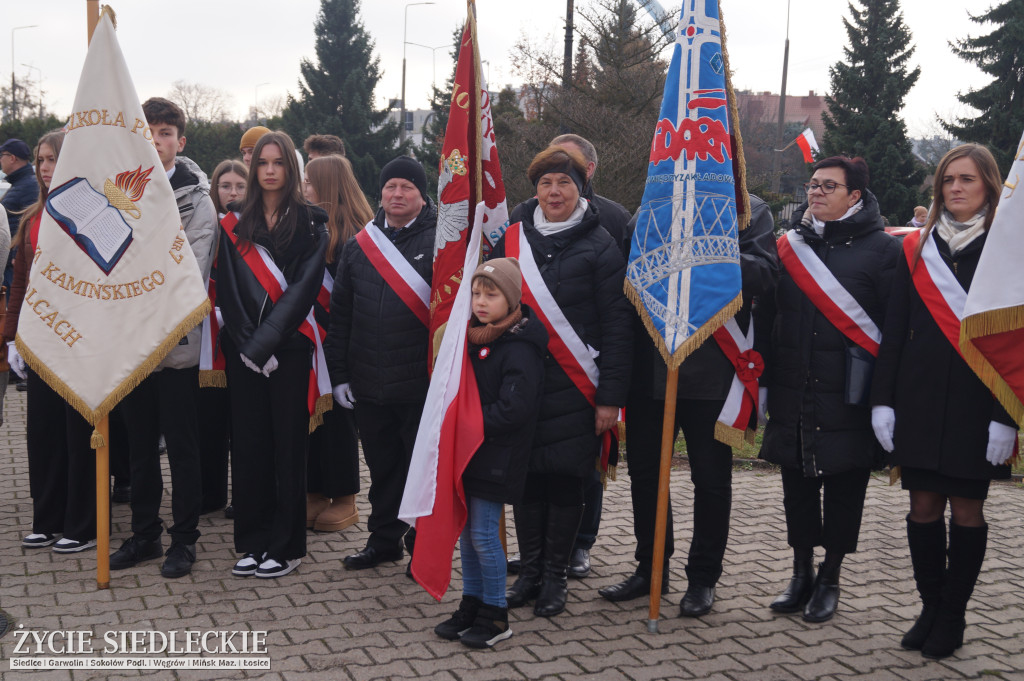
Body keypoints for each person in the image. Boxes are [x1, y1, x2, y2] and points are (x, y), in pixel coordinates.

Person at [599, 194, 779, 617]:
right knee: (645, 476)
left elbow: (765, 274)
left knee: (711, 482)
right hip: (649, 371)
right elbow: (626, 281)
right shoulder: (650, 205)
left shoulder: (747, 209)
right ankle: (650, 566)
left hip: (711, 376)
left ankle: (702, 578)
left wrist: (706, 246)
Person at [871, 144, 1017, 659]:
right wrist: (882, 400)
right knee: (922, 506)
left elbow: (1018, 343)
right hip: (919, 399)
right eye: (948, 180)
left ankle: (953, 615)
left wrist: (1008, 417)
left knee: (967, 509)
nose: (955, 188)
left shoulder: (1009, 250)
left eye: (968, 180)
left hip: (979, 407)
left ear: (989, 186)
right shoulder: (918, 247)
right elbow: (892, 329)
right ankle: (930, 606)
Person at [755, 156, 900, 623]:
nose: (816, 192)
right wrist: (760, 379)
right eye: (813, 184)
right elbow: (767, 318)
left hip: (849, 395)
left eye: (829, 186)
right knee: (796, 488)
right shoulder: (787, 246)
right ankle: (800, 572)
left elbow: (894, 330)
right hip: (793, 387)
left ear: (854, 196)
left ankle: (831, 576)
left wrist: (885, 399)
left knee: (843, 489)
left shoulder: (883, 251)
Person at [490, 146, 632, 618]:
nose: (554, 192)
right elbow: (488, 302)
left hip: (577, 386)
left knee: (568, 480)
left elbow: (617, 326)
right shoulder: (511, 240)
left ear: (580, 188)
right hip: (521, 384)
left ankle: (555, 577)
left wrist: (610, 397)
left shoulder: (601, 245)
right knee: (527, 479)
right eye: (546, 183)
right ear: (536, 190)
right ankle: (529, 573)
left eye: (564, 183)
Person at [108, 98, 217, 578]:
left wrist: (137, 283)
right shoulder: (116, 193)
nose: (157, 140)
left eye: (166, 132)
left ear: (180, 141)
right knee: (137, 448)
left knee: (182, 445)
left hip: (175, 343)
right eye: (149, 131)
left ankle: (185, 540)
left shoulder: (198, 199)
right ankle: (145, 534)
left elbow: (190, 269)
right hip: (131, 343)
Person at [216, 131, 328, 579]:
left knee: (288, 447)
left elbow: (302, 291)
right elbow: (227, 288)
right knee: (248, 447)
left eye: (278, 162)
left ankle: (287, 545)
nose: (268, 169)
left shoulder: (311, 223)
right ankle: (252, 540)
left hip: (291, 349)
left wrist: (265, 344)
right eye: (262, 162)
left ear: (290, 168)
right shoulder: (234, 223)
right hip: (244, 352)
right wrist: (248, 346)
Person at [325, 156, 435, 571]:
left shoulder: (441, 242)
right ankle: (384, 540)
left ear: (423, 196)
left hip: (419, 384)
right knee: (383, 468)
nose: (398, 194)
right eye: (391, 187)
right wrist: (339, 376)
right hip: (369, 383)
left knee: (419, 470)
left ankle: (423, 545)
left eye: (407, 187)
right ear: (381, 193)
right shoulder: (360, 245)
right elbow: (342, 318)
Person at [434, 258, 547, 648]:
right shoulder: (470, 337)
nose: (481, 301)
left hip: (499, 453)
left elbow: (515, 408)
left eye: (491, 294)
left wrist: (465, 423)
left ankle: (496, 614)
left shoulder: (520, 346)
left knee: (483, 534)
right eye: (476, 293)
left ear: (511, 299)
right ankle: (472, 603)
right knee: (467, 534)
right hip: (470, 452)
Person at [7, 131, 98, 554]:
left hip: (81, 341)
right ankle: (48, 518)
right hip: (39, 339)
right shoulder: (31, 217)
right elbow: (20, 283)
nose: (44, 167)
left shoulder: (93, 215)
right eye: (40, 159)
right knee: (42, 431)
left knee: (77, 432)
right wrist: (12, 339)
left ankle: (82, 524)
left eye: (52, 159)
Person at [302, 154, 372, 532]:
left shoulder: (358, 236)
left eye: (310, 182)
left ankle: (344, 497)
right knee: (313, 418)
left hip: (341, 344)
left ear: (327, 185)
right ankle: (314, 491)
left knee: (340, 423)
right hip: (309, 342)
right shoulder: (307, 226)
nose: (304, 188)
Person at [0, 138, 38, 291]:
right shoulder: (24, 184)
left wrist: (17, 253)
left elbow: (30, 223)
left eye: (1, 155)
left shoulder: (29, 186)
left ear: (12, 158)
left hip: (14, 262)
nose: (0, 160)